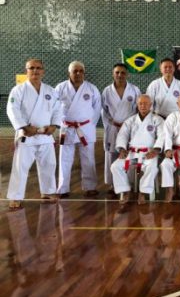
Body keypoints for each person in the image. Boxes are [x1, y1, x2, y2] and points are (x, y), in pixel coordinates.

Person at [6, 59, 61, 209]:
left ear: (43, 71)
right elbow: (12, 110)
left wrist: (54, 125)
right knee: (20, 167)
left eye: (38, 68)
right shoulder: (18, 90)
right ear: (26, 71)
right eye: (32, 68)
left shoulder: (50, 90)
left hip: (46, 134)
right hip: (27, 134)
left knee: (49, 165)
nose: (35, 71)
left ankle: (48, 191)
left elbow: (58, 109)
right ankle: (15, 197)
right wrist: (23, 126)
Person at [55, 61, 101, 197]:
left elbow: (97, 109)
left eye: (81, 71)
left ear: (84, 73)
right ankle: (63, 189)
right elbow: (53, 107)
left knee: (88, 158)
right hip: (67, 128)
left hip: (85, 127)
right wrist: (60, 123)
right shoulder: (60, 88)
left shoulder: (92, 88)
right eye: (75, 71)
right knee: (64, 159)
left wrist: (90, 124)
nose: (78, 73)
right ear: (69, 73)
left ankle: (90, 187)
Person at [111, 95, 164, 204]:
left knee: (152, 167)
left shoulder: (157, 120)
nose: (143, 106)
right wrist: (122, 149)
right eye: (140, 103)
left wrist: (156, 150)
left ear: (150, 105)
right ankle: (125, 191)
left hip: (148, 154)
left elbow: (162, 136)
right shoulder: (130, 120)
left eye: (146, 103)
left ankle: (143, 193)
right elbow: (122, 135)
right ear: (137, 105)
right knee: (115, 166)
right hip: (133, 154)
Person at [101, 63, 141, 194]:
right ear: (113, 74)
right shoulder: (107, 91)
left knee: (129, 154)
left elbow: (139, 109)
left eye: (123, 73)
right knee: (111, 154)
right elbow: (103, 111)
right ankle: (113, 184)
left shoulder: (134, 90)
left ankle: (130, 182)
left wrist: (133, 125)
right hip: (113, 127)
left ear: (127, 74)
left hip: (129, 127)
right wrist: (109, 123)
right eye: (117, 72)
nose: (120, 75)